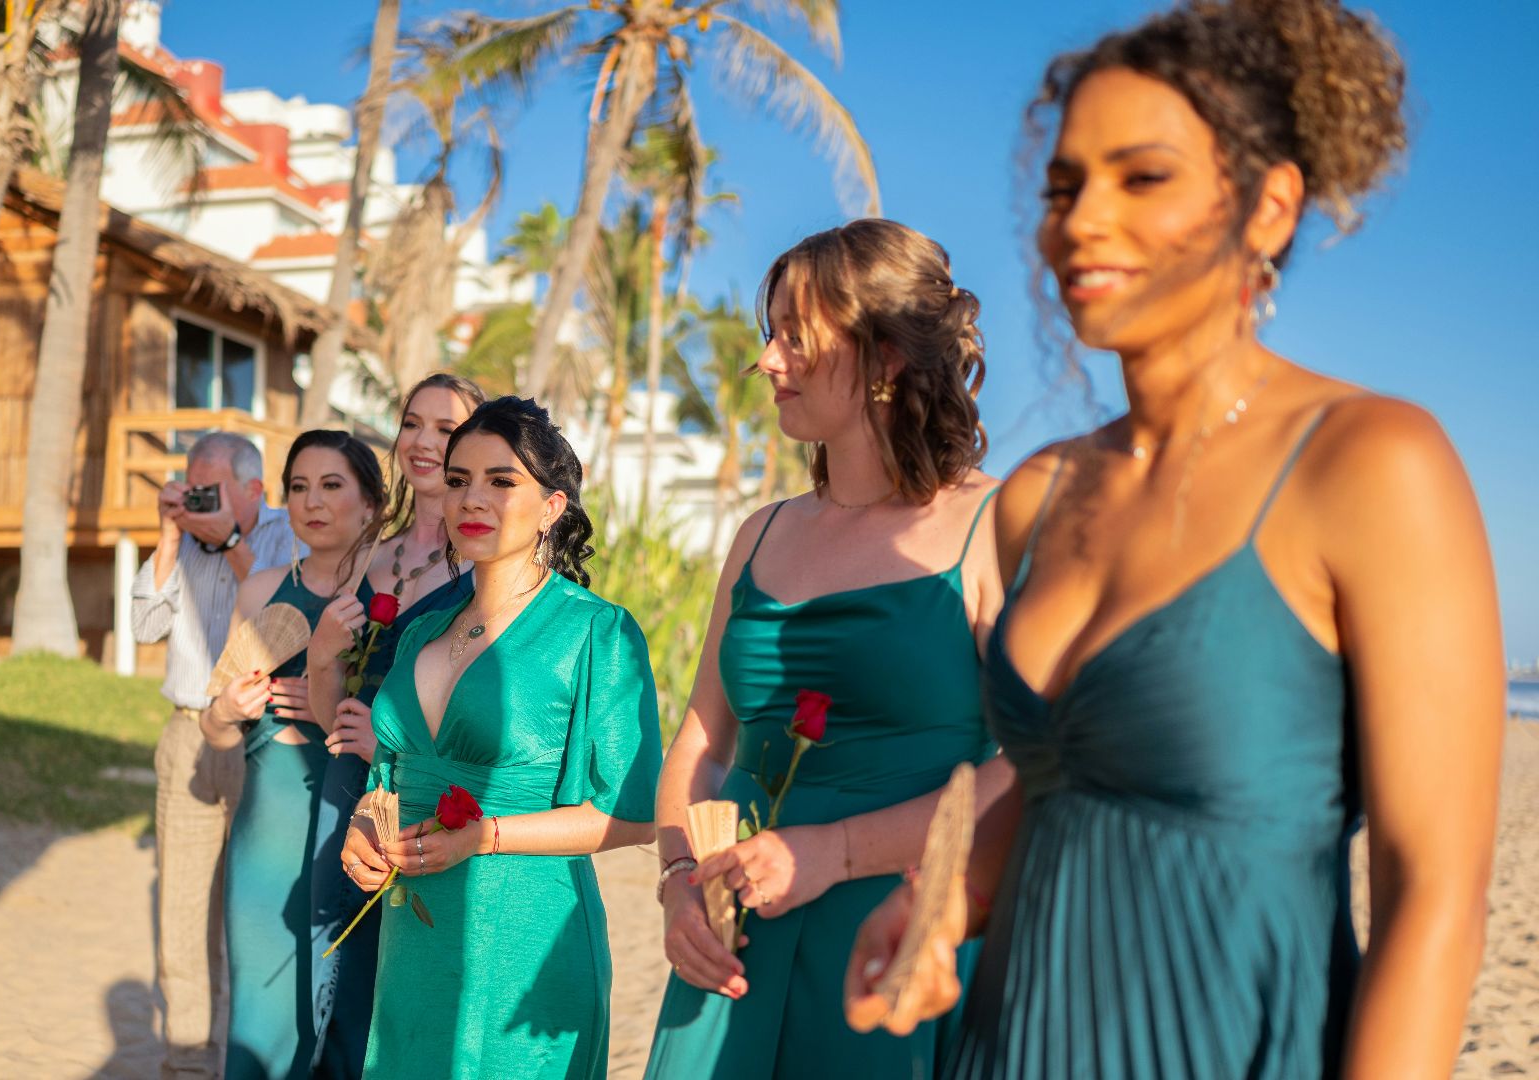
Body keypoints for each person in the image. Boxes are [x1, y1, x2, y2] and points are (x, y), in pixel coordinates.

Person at [844, 2, 1504, 1076]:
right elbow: (1063, 779)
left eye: (1141, 178)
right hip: (1008, 1043)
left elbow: (1436, 900)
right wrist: (940, 905)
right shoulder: (1041, 496)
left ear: (1270, 205)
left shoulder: (1372, 462)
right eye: (1064, 188)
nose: (1081, 220)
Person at [641, 220, 1011, 1079]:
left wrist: (832, 852)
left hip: (888, 938)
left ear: (885, 357)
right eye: (769, 336)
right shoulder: (758, 534)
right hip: (726, 949)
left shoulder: (991, 529)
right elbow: (700, 741)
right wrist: (677, 885)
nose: (765, 361)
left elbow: (1034, 762)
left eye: (793, 337)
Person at [339, 396, 663, 1079]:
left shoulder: (596, 632)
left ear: (552, 506)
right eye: (458, 481)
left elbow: (630, 817)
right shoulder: (424, 631)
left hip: (521, 934)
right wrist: (365, 828)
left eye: (501, 480)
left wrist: (483, 836)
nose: (471, 499)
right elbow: (385, 778)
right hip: (414, 940)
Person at [301, 373, 486, 1076]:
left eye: (446, 429)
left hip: (425, 807)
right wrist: (322, 660)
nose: (424, 441)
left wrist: (398, 749)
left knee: (410, 1000)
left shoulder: (484, 566)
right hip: (350, 791)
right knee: (343, 1000)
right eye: (413, 424)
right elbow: (335, 719)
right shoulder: (370, 554)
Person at [202, 430, 386, 1080]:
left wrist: (328, 695)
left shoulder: (394, 599)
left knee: (345, 1011)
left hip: (356, 815)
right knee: (261, 1003)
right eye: (299, 488)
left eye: (332, 485)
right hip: (271, 811)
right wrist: (227, 712)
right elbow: (218, 728)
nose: (312, 502)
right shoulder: (260, 594)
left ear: (370, 504)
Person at [131, 432, 304, 1079]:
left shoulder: (290, 534)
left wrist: (231, 544)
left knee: (266, 907)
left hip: (268, 735)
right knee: (183, 907)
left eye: (213, 489)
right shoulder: (181, 540)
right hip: (188, 733)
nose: (199, 498)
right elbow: (145, 627)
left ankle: (259, 1059)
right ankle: (186, 1060)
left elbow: (287, 619)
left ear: (254, 490)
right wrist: (172, 537)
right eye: (191, 486)